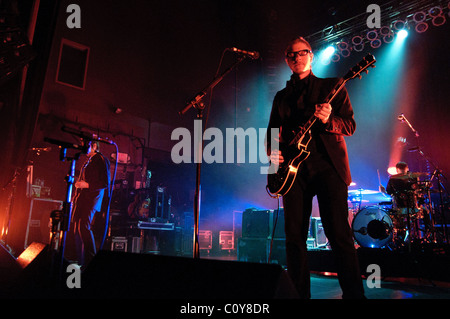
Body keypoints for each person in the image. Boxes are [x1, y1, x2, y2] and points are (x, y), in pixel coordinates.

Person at [266, 36, 365, 299]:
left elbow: (350, 126)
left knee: (339, 233)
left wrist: (329, 119)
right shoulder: (281, 96)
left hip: (328, 167)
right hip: (293, 172)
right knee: (294, 237)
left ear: (311, 56)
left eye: (301, 53)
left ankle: (355, 295)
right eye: (291, 54)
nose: (296, 57)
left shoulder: (332, 86)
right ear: (287, 60)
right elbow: (272, 133)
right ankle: (299, 296)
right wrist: (274, 159)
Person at [66, 140, 110, 268]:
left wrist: (87, 185)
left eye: (87, 145)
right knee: (77, 228)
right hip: (82, 198)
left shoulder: (101, 159)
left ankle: (91, 259)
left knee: (84, 226)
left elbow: (104, 183)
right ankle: (81, 261)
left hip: (92, 198)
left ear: (94, 146)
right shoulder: (87, 161)